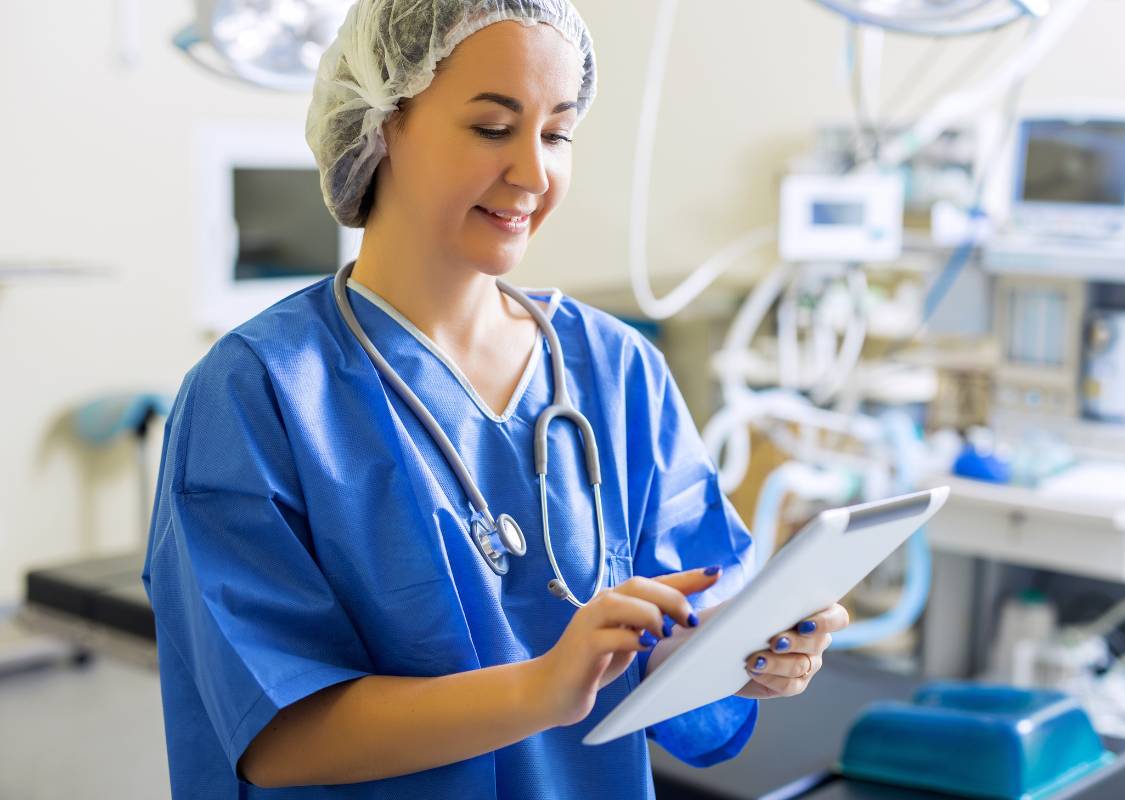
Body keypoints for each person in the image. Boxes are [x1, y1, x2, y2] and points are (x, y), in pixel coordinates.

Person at [143, 1, 848, 797]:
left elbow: (669, 633)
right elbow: (275, 734)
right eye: (491, 127)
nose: (534, 173)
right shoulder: (258, 393)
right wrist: (539, 689)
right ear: (380, 125)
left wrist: (738, 651)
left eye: (557, 133)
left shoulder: (616, 371)